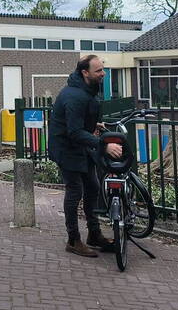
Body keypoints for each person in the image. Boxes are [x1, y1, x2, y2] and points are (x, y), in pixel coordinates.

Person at [48, 55, 122, 257]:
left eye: (102, 69)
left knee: (93, 186)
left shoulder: (84, 90)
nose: (103, 73)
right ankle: (73, 240)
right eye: (98, 71)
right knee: (75, 191)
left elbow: (78, 122)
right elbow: (73, 131)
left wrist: (93, 125)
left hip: (80, 146)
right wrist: (103, 145)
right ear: (85, 73)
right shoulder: (74, 96)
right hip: (67, 148)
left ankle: (94, 235)